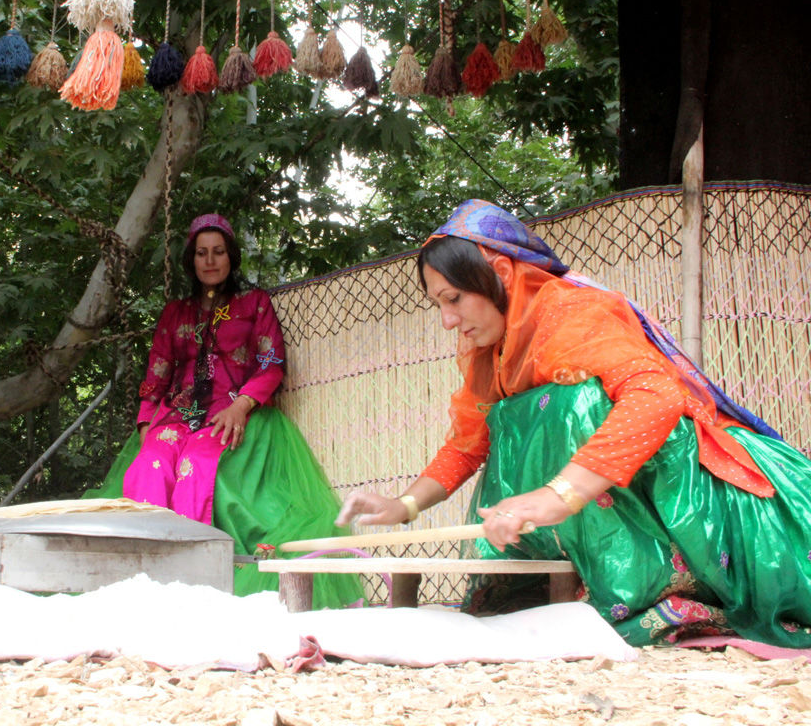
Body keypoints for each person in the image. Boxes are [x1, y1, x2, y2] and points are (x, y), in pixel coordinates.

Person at [337, 199, 811, 647]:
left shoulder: (572, 311)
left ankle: (653, 588)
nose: (446, 320)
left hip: (706, 497)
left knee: (571, 401)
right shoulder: (494, 355)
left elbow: (657, 395)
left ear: (500, 273)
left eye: (454, 298)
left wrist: (558, 494)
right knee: (513, 416)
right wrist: (403, 505)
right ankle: (582, 581)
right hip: (621, 496)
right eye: (439, 304)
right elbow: (468, 443)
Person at [89, 214, 361, 608]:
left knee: (196, 467)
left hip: (231, 410)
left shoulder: (255, 304)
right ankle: (143, 577)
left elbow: (271, 364)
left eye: (218, 252)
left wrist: (242, 406)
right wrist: (147, 421)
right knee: (149, 464)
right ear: (191, 260)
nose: (210, 261)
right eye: (202, 253)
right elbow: (157, 374)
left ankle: (196, 581)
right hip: (178, 416)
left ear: (231, 257)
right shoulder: (175, 313)